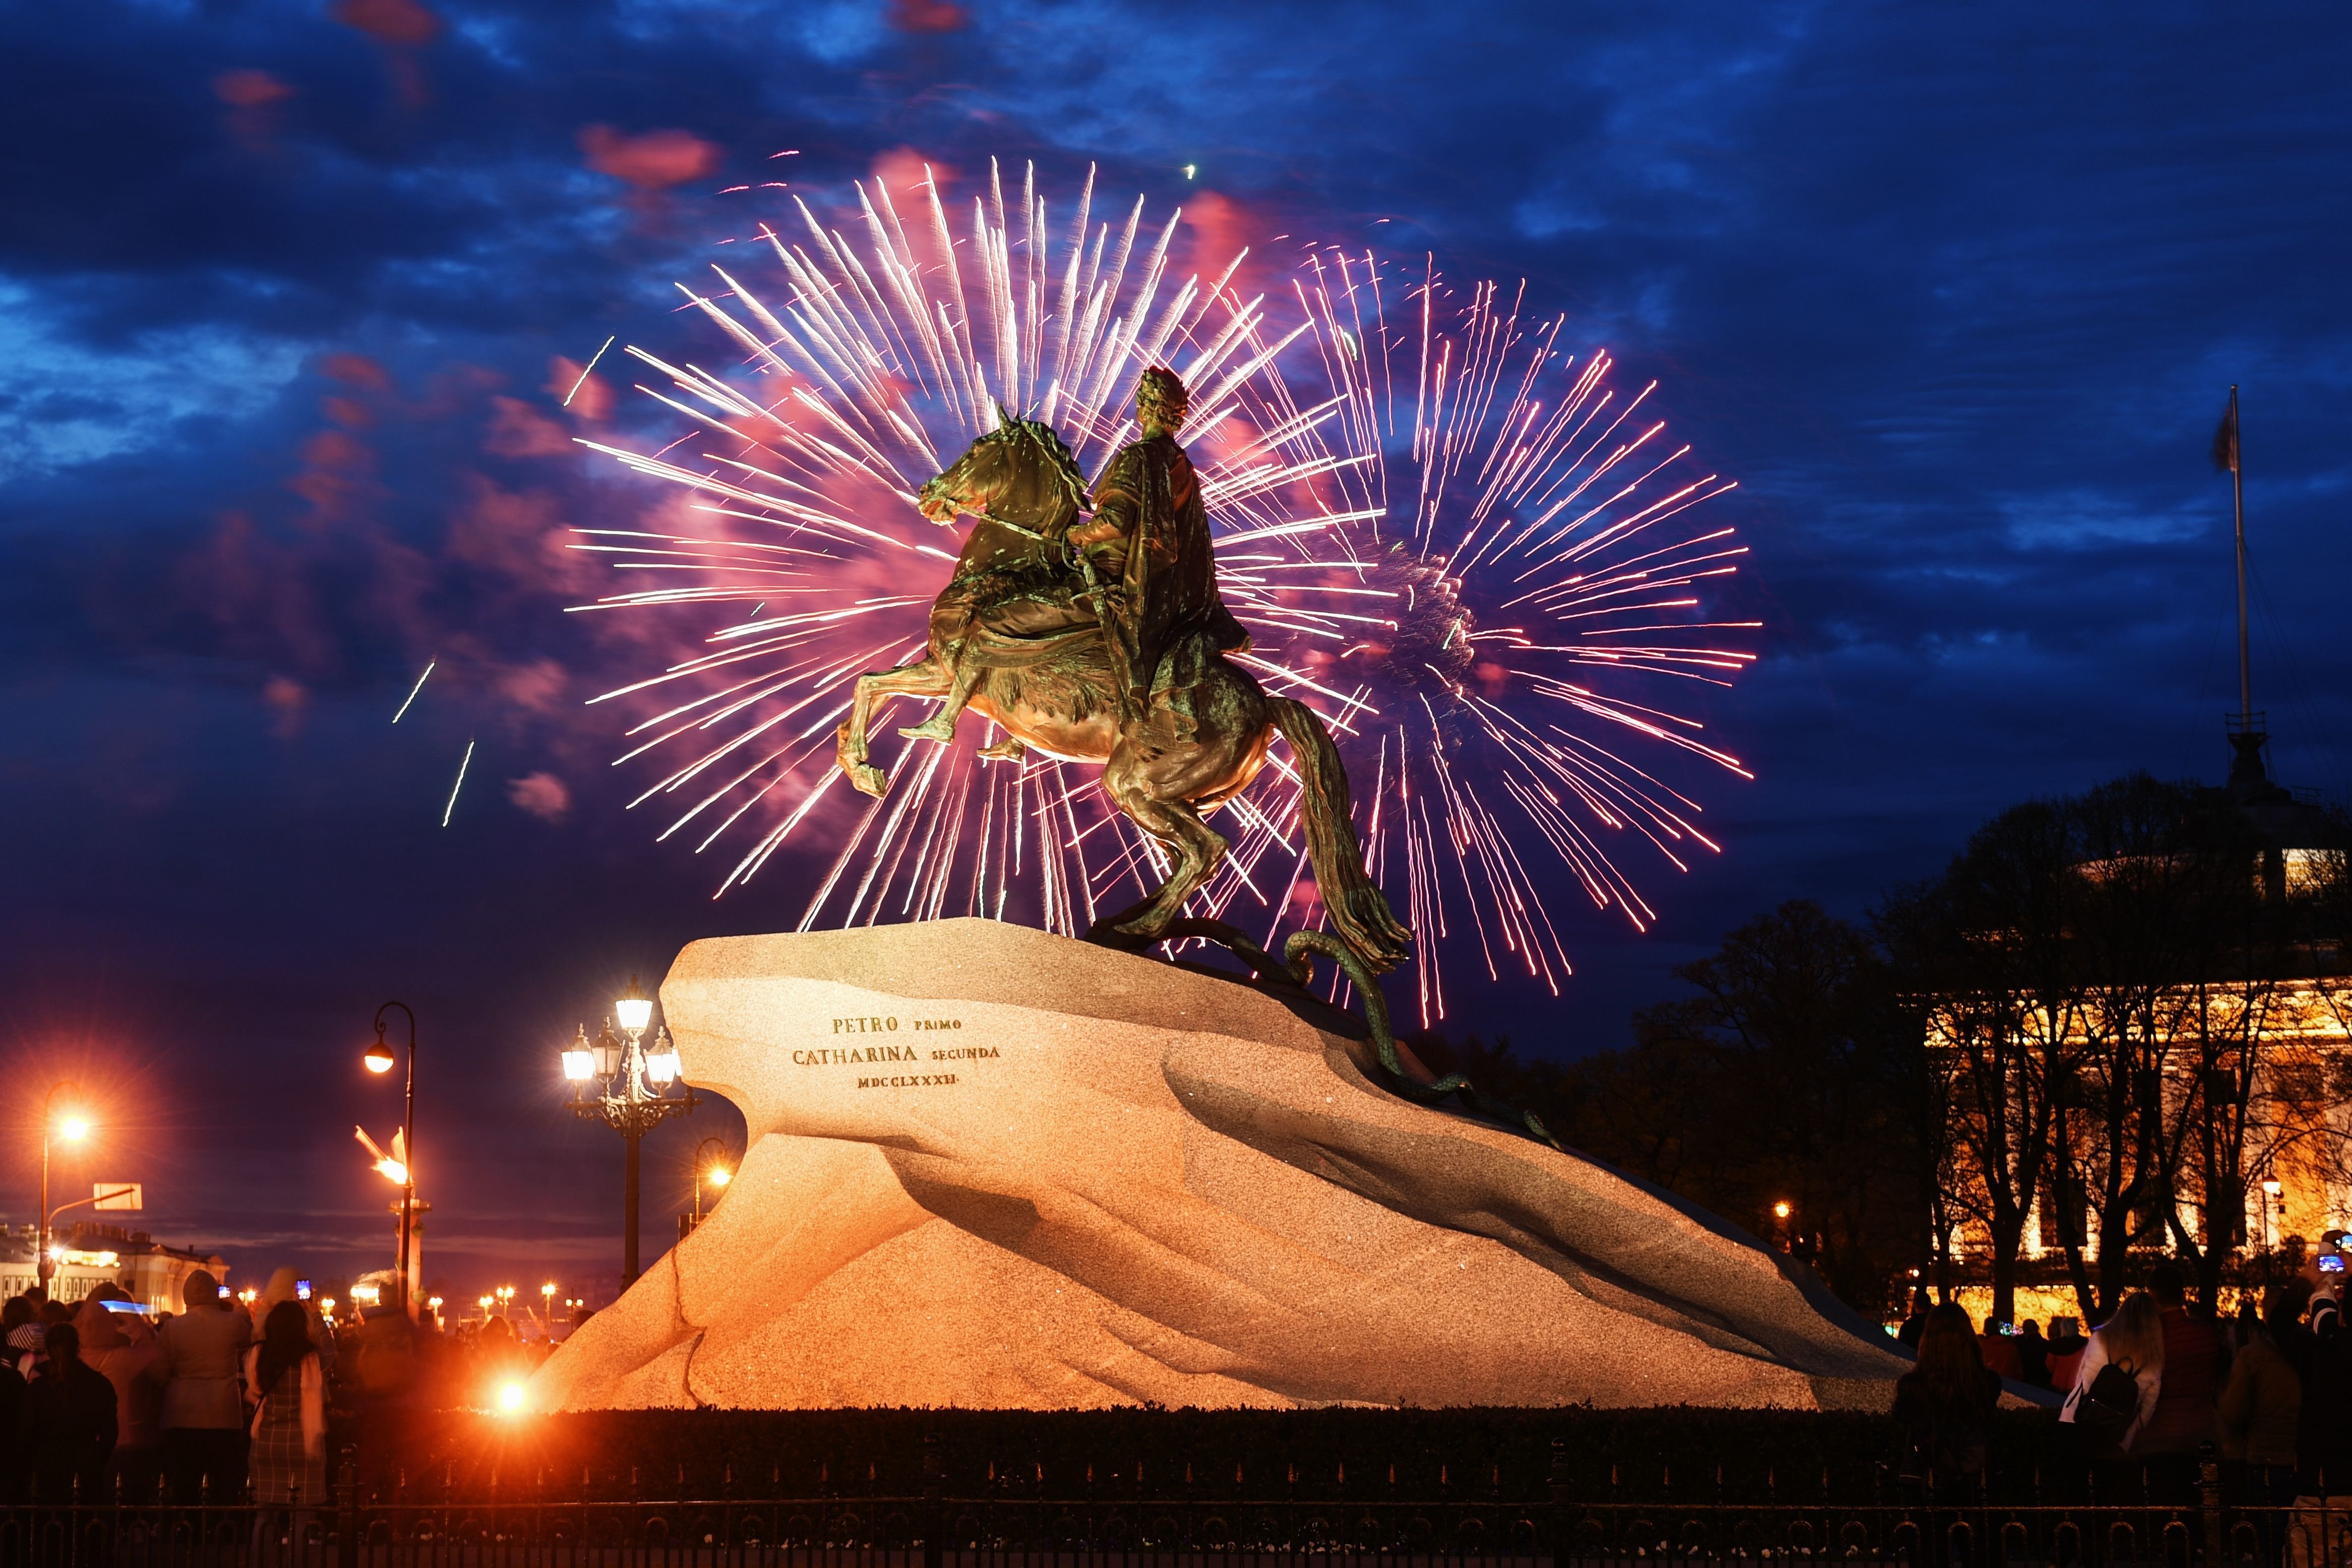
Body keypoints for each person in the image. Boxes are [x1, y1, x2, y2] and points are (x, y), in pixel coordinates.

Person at [2223, 1281, 2310, 1567]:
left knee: (2274, 1539)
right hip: (2306, 1456)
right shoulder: (2311, 1353)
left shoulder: (2252, 1357)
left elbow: (2233, 1411)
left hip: (2267, 1457)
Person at [1893, 1302, 2004, 1499]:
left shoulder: (1913, 1387)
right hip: (1976, 1481)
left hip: (1926, 1481)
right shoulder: (1987, 1383)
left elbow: (1903, 1417)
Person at [157, 1269, 249, 1503]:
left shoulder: (172, 1328)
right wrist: (239, 1306)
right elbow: (249, 1337)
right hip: (223, 1411)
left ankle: (187, 1528)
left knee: (185, 1478)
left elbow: (159, 1369)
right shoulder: (232, 1322)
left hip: (181, 1411)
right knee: (224, 1477)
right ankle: (223, 1529)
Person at [2136, 1263, 2222, 1503]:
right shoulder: (2206, 1335)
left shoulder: (2147, 1340)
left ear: (2152, 1295)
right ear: (2182, 1294)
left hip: (2158, 1439)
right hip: (2200, 1434)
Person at [243, 1301, 326, 1550]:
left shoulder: (258, 1354)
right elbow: (331, 1351)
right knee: (301, 1515)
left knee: (264, 1515)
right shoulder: (311, 1357)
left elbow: (255, 1391)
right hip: (304, 1444)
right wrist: (316, 1315)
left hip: (267, 1442)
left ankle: (261, 1562)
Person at [75, 1295, 165, 1501]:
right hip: (121, 1440)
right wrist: (135, 1322)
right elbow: (151, 1352)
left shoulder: (73, 1359)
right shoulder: (121, 1360)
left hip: (85, 1442)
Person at [2061, 1290, 2165, 1468]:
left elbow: (2081, 1380)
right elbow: (2146, 1413)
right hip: (2115, 1433)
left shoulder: (2100, 1338)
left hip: (2077, 1419)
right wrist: (2128, 1437)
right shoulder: (2155, 1359)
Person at [17, 1322, 117, 1502]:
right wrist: (96, 1458)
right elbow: (110, 1432)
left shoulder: (38, 1389)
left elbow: (26, 1433)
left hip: (47, 1467)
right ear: (78, 1348)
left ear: (48, 1350)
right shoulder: (99, 1384)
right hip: (85, 1465)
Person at [2016, 1318, 2052, 1389]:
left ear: (2025, 1329)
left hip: (2026, 1380)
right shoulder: (2047, 1344)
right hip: (2043, 1380)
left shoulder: (2021, 1344)